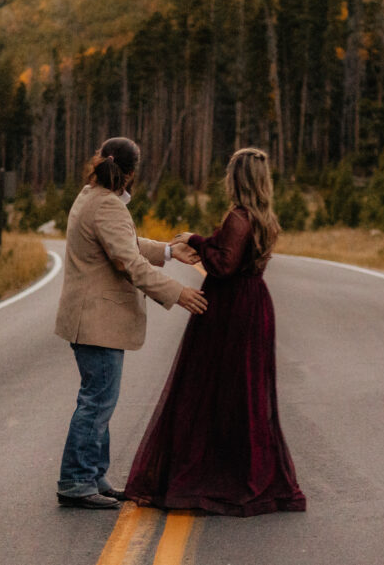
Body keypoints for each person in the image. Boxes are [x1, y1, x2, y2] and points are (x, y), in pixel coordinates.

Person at [125, 148, 306, 517]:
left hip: (232, 310)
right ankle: (241, 471)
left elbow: (223, 265)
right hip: (253, 305)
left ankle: (216, 477)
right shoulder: (264, 217)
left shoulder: (239, 217)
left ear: (236, 178)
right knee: (245, 393)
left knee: (212, 390)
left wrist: (194, 239)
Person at [55, 136, 208, 510]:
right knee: (97, 401)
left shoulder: (90, 196)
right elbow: (128, 261)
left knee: (100, 398)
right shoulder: (108, 205)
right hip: (97, 320)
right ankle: (76, 480)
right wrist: (176, 292)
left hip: (90, 318)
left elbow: (125, 243)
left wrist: (169, 252)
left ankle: (93, 474)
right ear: (131, 173)